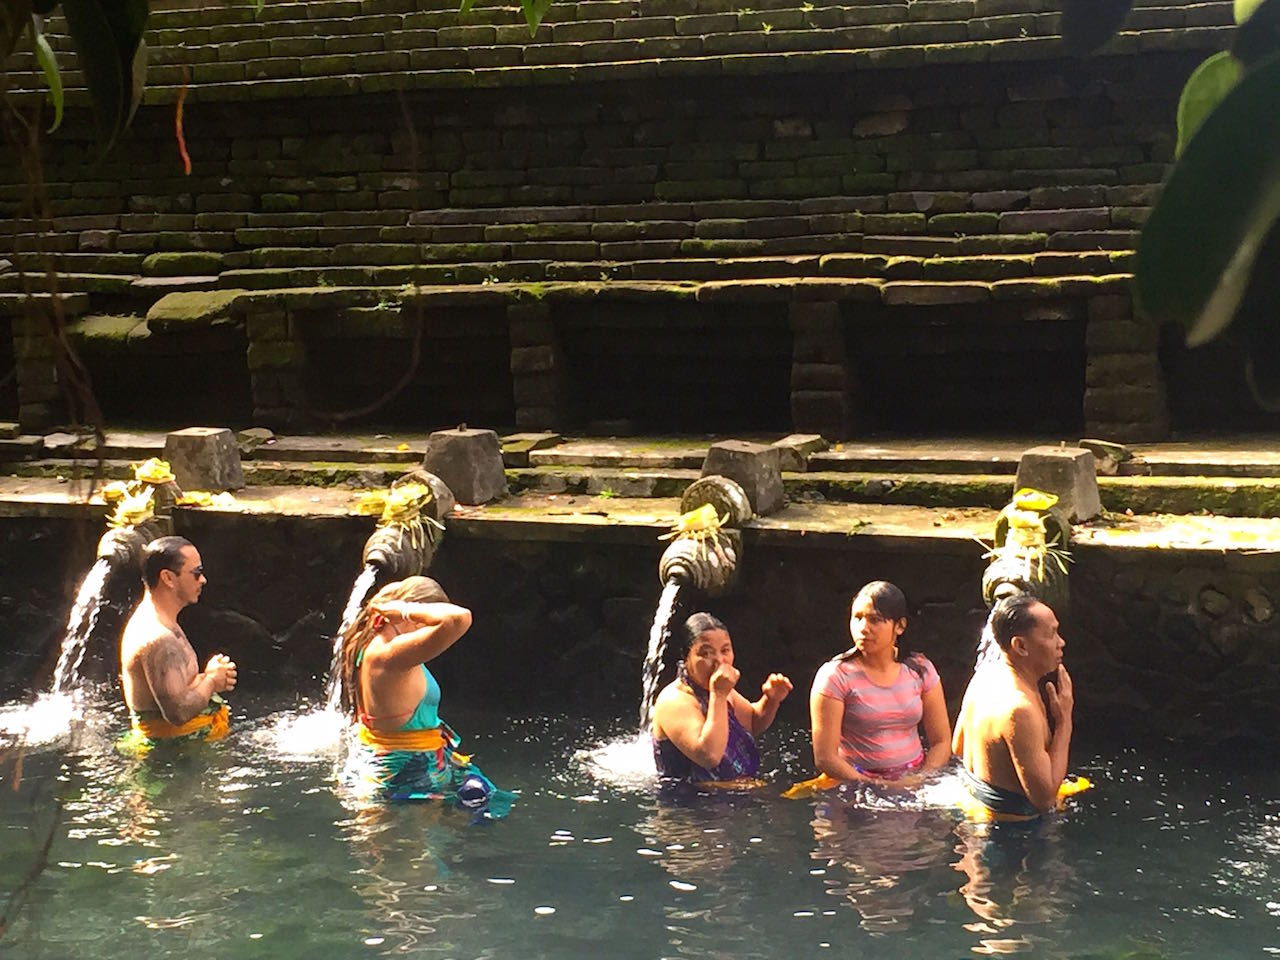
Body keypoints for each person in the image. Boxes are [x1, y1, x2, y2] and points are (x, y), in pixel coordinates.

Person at [339, 576, 514, 818]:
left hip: (405, 764)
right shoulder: (389, 655)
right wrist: (404, 609)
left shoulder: (373, 645)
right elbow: (458, 618)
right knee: (423, 843)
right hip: (405, 776)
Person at [809, 581, 951, 783]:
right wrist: (880, 785)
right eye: (857, 618)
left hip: (914, 778)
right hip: (856, 782)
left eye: (874, 620)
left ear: (900, 626)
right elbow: (825, 758)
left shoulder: (920, 669)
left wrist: (922, 778)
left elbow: (942, 741)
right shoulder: (835, 676)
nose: (863, 628)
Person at [952, 594, 1074, 819]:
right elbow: (1044, 800)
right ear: (1020, 646)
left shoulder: (985, 676)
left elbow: (958, 747)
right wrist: (1064, 721)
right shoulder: (1020, 709)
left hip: (974, 813)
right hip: (1012, 834)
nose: (1061, 642)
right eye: (1051, 634)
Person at [118, 536, 236, 751]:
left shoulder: (161, 621)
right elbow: (178, 713)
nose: (203, 580)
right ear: (168, 578)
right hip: (172, 755)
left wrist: (208, 677)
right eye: (196, 573)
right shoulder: (159, 640)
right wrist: (212, 680)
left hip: (183, 750)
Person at [651, 612, 793, 784]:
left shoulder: (720, 691)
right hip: (685, 798)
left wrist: (770, 700)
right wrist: (718, 695)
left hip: (730, 792)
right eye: (706, 653)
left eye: (725, 651)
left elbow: (752, 722)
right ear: (686, 658)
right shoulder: (673, 700)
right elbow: (709, 756)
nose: (719, 660)